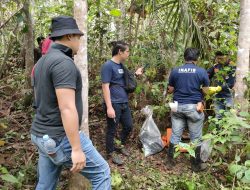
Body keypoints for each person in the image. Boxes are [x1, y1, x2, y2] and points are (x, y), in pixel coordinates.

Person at [31, 16, 111, 190]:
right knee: (102, 173)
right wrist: (76, 148)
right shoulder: (63, 63)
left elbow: (38, 101)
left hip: (41, 135)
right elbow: (66, 108)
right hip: (60, 137)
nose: (80, 42)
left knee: (45, 184)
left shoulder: (42, 61)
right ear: (69, 37)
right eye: (78, 37)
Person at [167, 48, 209, 172]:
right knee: (196, 137)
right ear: (196, 59)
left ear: (184, 58)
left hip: (177, 107)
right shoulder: (201, 71)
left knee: (175, 134)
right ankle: (196, 165)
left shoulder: (175, 70)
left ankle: (170, 161)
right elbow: (206, 90)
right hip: (194, 108)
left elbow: (170, 89)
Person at [101, 41, 143, 165]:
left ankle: (119, 144)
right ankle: (110, 152)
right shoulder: (108, 66)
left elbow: (125, 80)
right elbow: (105, 86)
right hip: (114, 103)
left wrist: (135, 74)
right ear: (120, 52)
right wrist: (109, 107)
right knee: (112, 129)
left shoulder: (121, 66)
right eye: (127, 51)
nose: (128, 54)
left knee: (128, 126)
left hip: (124, 101)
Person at [207, 51, 236, 119]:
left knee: (229, 115)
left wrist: (220, 88)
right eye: (218, 58)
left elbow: (231, 84)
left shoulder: (232, 67)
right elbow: (206, 75)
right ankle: (218, 130)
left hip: (229, 95)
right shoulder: (216, 66)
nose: (219, 60)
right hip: (218, 95)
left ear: (227, 57)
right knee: (218, 116)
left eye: (221, 58)